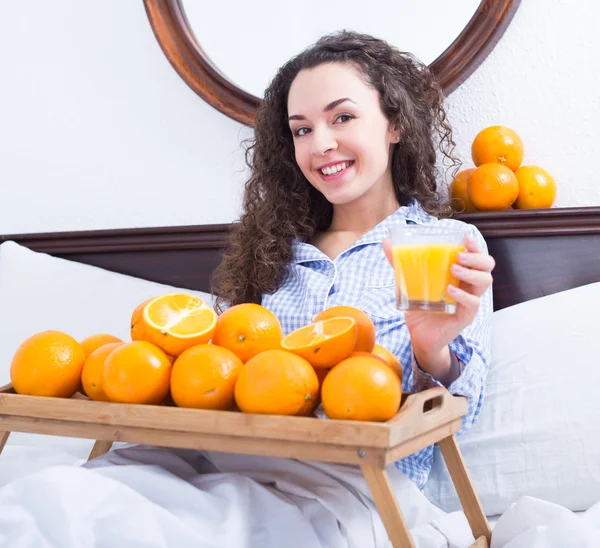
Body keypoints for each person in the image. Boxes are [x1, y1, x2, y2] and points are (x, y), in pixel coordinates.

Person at [214, 29, 495, 490]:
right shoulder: (270, 253)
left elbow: (466, 409)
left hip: (358, 498)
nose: (320, 143)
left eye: (342, 117)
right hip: (241, 476)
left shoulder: (445, 245)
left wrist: (430, 349)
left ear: (395, 124)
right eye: (302, 129)